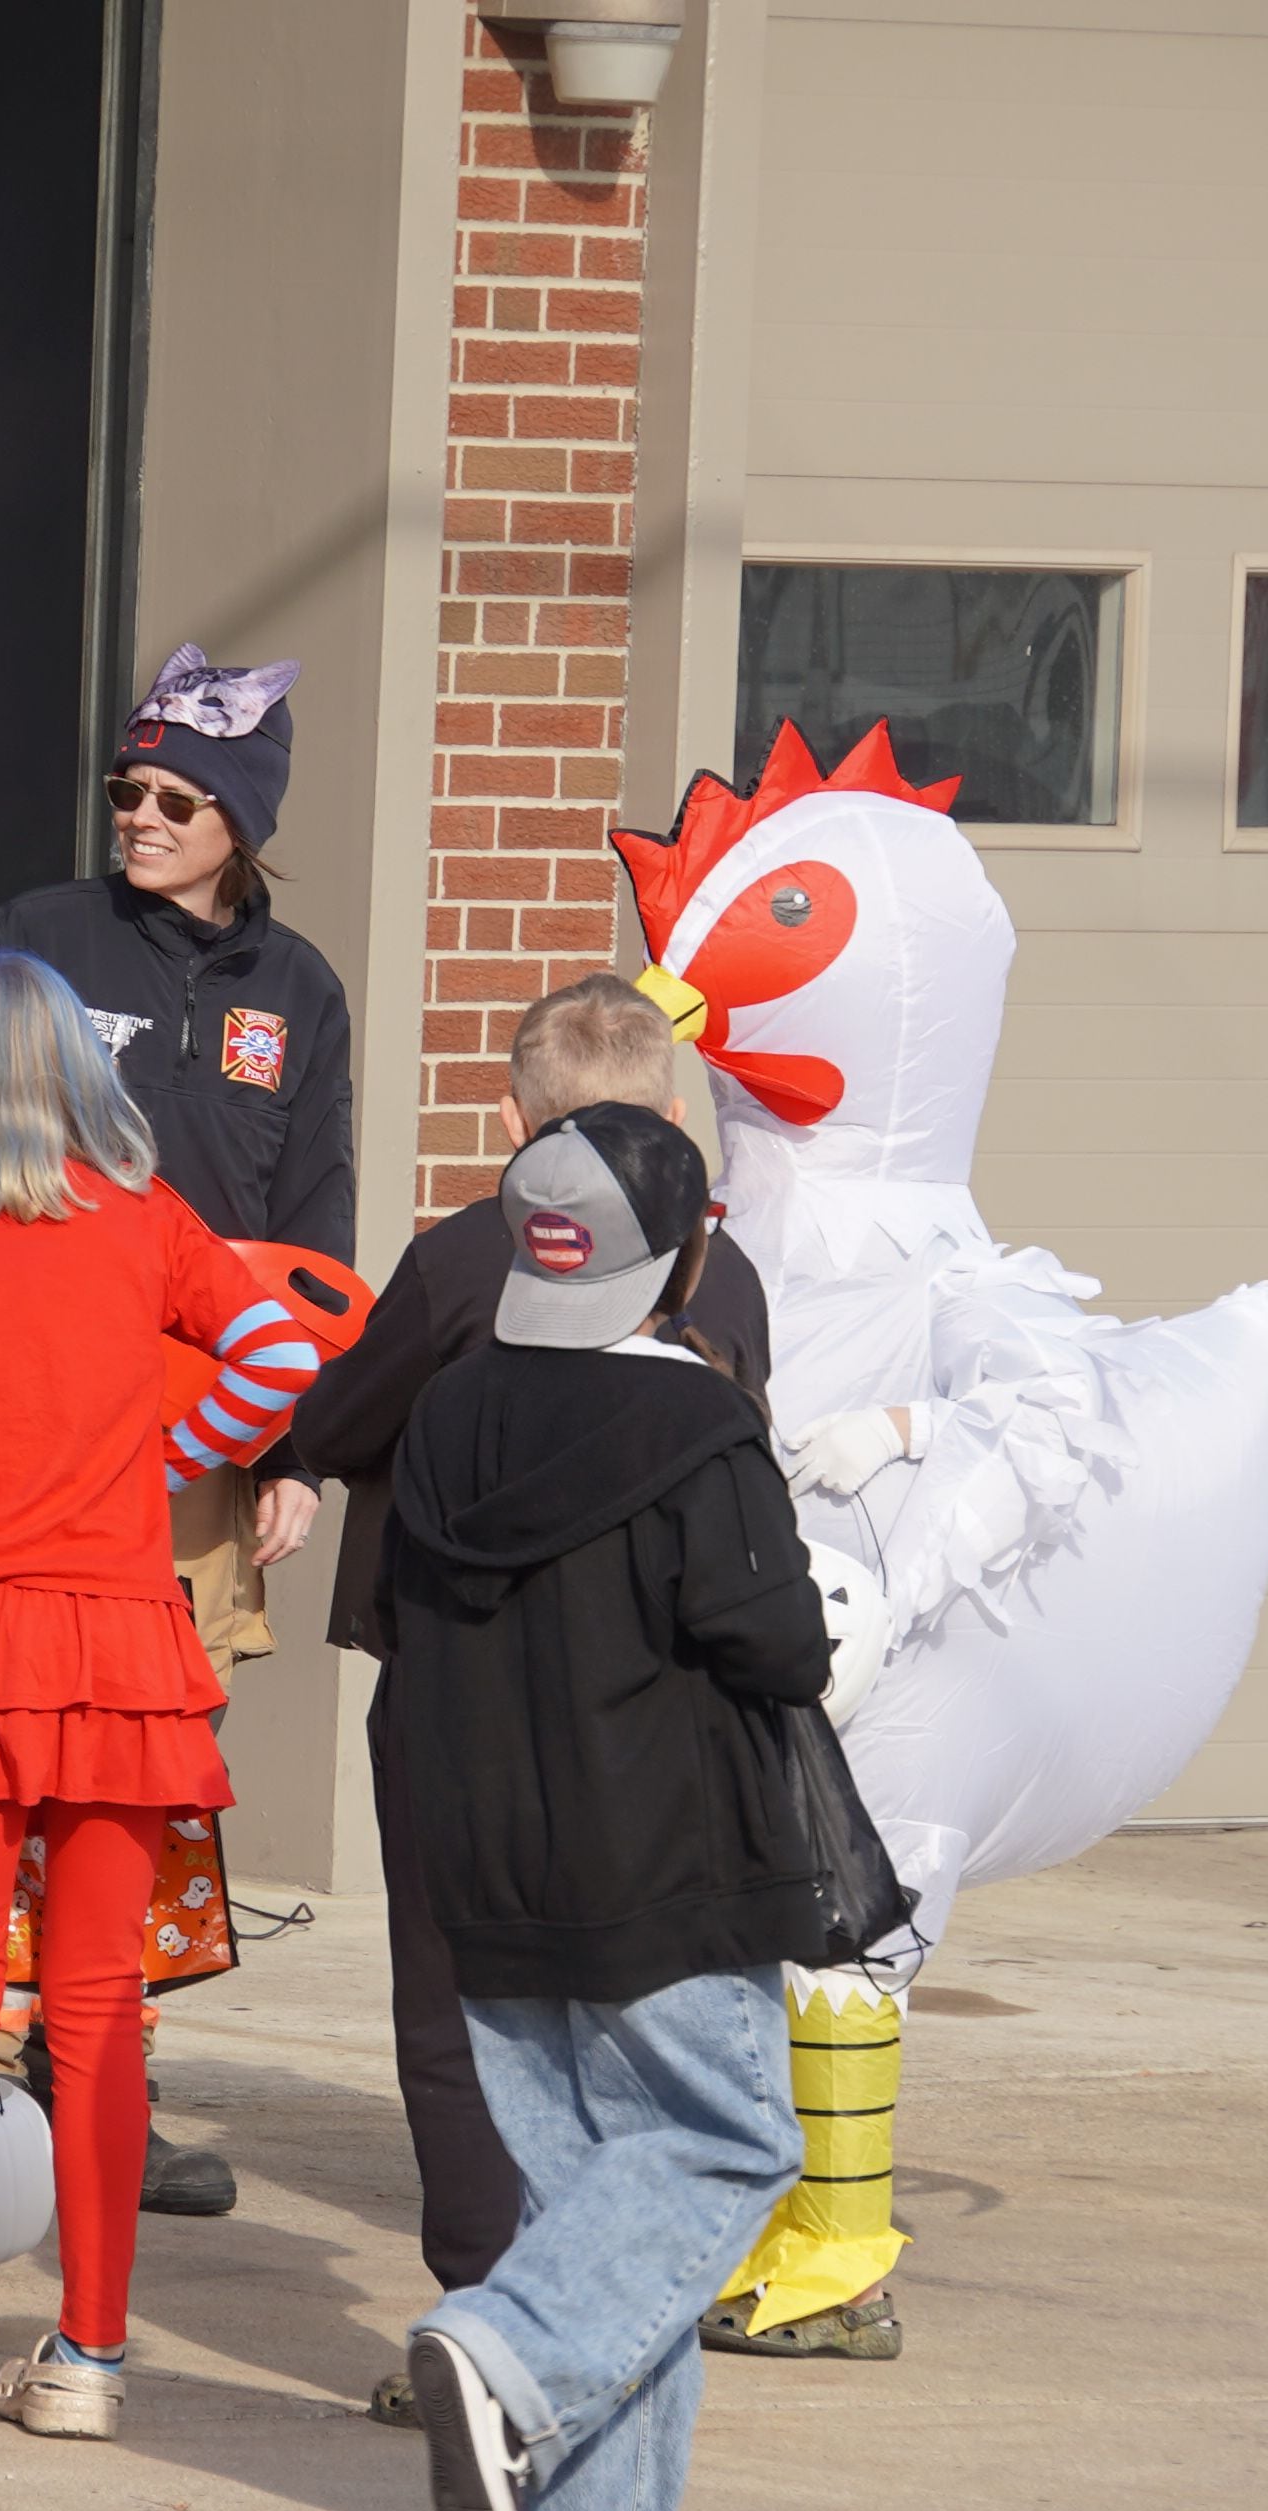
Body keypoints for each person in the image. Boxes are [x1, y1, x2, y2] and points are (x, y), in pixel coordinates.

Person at [0, 641, 352, 2216]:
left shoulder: (298, 988)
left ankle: (96, 2079)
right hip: (9, 1444)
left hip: (197, 1438)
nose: (138, 817)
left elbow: (316, 1222)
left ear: (239, 822)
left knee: (145, 1781)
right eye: (125, 788)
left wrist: (296, 1446)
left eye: (175, 798)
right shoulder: (31, 940)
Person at [0, 951, 317, 2445]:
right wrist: (164, 1461)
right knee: (101, 2013)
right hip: (127, 1651)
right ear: (84, 1071)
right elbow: (280, 1349)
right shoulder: (147, 1221)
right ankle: (88, 2362)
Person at [380, 1103, 859, 2511]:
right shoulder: (697, 1422)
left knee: (595, 2187)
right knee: (728, 2141)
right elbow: (778, 1643)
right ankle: (513, 2340)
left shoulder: (448, 1410)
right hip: (661, 1862)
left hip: (486, 1855)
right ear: (689, 1252)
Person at [284, 972, 774, 2423]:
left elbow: (333, 1416)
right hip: (652, 1713)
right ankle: (594, 2321)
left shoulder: (458, 1262)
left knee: (458, 2007)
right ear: (676, 1114)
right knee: (620, 2012)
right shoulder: (723, 1282)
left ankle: (488, 2310)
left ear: (513, 1120)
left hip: (456, 1696)